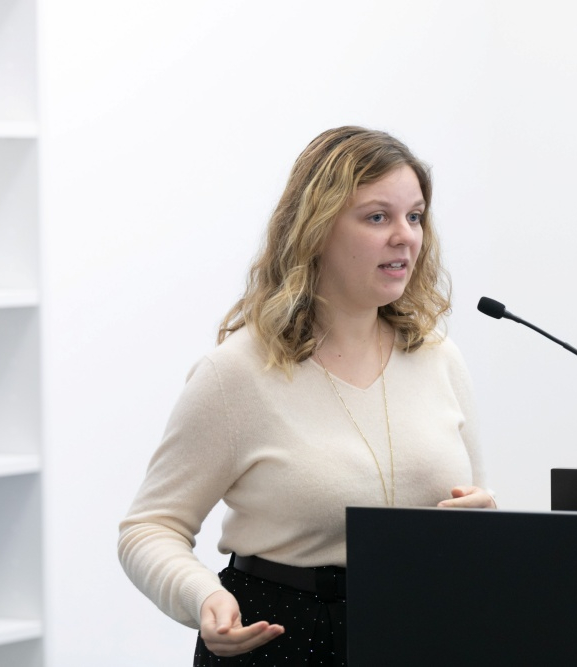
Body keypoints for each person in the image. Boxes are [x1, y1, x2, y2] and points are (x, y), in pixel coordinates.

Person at [118, 126, 495, 666]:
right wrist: (203, 598)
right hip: (283, 639)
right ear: (316, 230)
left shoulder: (440, 358)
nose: (405, 237)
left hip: (423, 631)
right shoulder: (236, 373)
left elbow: (475, 503)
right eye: (377, 217)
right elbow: (149, 528)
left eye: (415, 216)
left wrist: (486, 523)